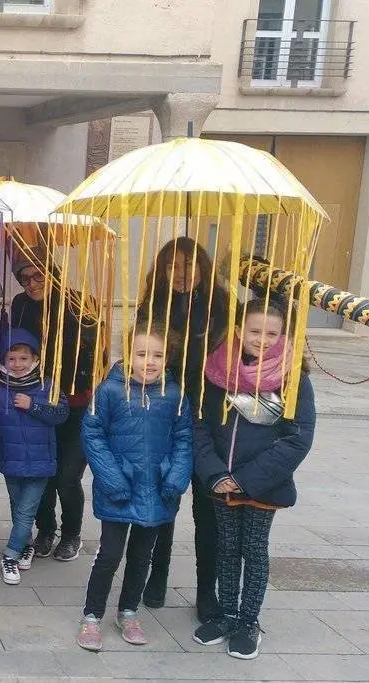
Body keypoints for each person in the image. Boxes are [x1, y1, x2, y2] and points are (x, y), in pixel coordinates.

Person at [192, 299, 314, 660]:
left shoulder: (294, 378)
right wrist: (215, 473)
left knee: (253, 550)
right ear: (239, 330)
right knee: (227, 549)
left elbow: (299, 437)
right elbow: (199, 425)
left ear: (283, 336)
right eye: (255, 331)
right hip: (221, 481)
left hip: (262, 485)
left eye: (271, 333)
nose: (262, 339)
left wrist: (245, 479)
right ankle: (227, 614)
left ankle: (249, 621)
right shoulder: (215, 370)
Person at [76, 323, 193, 652]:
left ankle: (128, 611)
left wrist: (175, 479)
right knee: (109, 555)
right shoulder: (111, 390)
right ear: (128, 354)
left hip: (157, 489)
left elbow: (184, 439)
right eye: (142, 354)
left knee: (142, 556)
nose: (150, 361)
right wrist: (111, 477)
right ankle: (92, 615)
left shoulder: (175, 393)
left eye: (157, 355)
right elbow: (93, 434)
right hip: (120, 486)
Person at [137, 237, 230, 617]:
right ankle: (156, 575)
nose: (181, 274)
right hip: (166, 414)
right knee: (164, 498)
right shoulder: (152, 305)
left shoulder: (222, 307)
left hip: (209, 417)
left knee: (208, 510)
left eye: (189, 265)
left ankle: (206, 589)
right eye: (172, 266)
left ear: (203, 268)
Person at [11, 247, 98, 563]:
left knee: (67, 475)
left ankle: (72, 533)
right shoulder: (21, 305)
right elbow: (17, 344)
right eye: (24, 279)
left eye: (37, 276)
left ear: (52, 273)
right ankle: (45, 529)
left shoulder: (78, 302)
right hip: (39, 400)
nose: (31, 284)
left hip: (75, 402)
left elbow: (94, 352)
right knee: (43, 472)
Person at [0, 328, 70, 585]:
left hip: (41, 462)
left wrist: (33, 406)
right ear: (3, 361)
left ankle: (10, 555)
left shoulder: (48, 384)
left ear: (34, 358)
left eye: (23, 358)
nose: (17, 364)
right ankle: (26, 544)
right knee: (17, 507)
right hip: (11, 460)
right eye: (11, 358)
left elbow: (61, 415)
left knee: (25, 511)